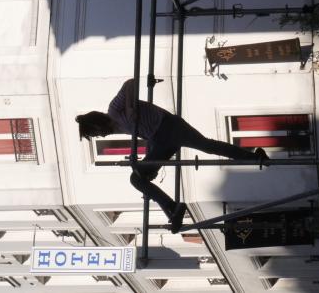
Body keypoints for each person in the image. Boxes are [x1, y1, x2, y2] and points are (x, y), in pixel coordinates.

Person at [75, 79, 269, 233]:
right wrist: (149, 159)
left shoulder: (114, 110)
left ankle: (252, 157)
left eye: (94, 133)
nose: (99, 136)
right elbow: (147, 133)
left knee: (207, 146)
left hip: (169, 127)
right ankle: (172, 207)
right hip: (160, 139)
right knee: (138, 177)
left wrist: (131, 107)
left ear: (96, 124)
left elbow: (131, 82)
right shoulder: (118, 127)